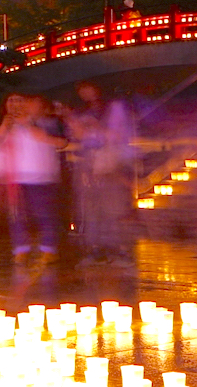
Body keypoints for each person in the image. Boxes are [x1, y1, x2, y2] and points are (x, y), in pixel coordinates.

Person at [64, 80, 135, 264]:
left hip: (112, 165)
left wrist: (96, 127)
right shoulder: (81, 111)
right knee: (92, 208)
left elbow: (120, 136)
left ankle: (118, 249)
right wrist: (73, 122)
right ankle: (95, 248)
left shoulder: (115, 107)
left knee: (114, 208)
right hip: (90, 165)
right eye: (81, 90)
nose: (85, 93)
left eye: (88, 87)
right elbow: (78, 138)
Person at [0, 93, 66, 266]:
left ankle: (48, 249)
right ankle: (21, 249)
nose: (16, 104)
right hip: (16, 177)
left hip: (41, 177)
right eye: (11, 101)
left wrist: (27, 124)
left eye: (20, 101)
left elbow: (59, 141)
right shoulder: (9, 124)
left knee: (44, 214)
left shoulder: (44, 121)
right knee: (17, 216)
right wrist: (6, 125)